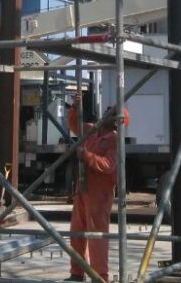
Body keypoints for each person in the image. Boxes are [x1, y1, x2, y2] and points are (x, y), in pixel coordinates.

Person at [65, 94, 129, 283]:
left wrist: (86, 155)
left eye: (111, 111)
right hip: (83, 188)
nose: (107, 110)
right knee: (76, 232)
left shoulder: (114, 140)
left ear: (117, 121)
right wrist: (75, 106)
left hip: (100, 194)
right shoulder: (91, 130)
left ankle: (99, 276)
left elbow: (108, 165)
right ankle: (77, 272)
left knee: (97, 236)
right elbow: (74, 125)